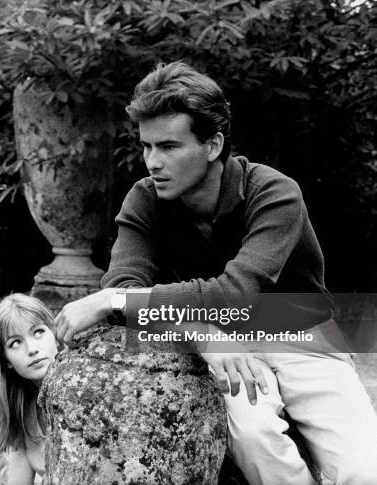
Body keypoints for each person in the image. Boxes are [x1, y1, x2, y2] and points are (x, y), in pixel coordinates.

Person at [52, 62, 377, 484]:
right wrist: (200, 332)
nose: (153, 162)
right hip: (223, 344)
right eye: (147, 146)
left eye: (169, 146)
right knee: (256, 441)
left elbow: (232, 293)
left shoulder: (275, 193)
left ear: (213, 144)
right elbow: (123, 282)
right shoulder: (144, 200)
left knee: (364, 469)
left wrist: (112, 301)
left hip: (305, 334)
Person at [0, 293, 59, 485]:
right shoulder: (24, 410)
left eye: (38, 332)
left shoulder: (87, 389)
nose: (31, 349)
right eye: (15, 343)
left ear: (55, 334)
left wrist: (111, 301)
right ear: (7, 361)